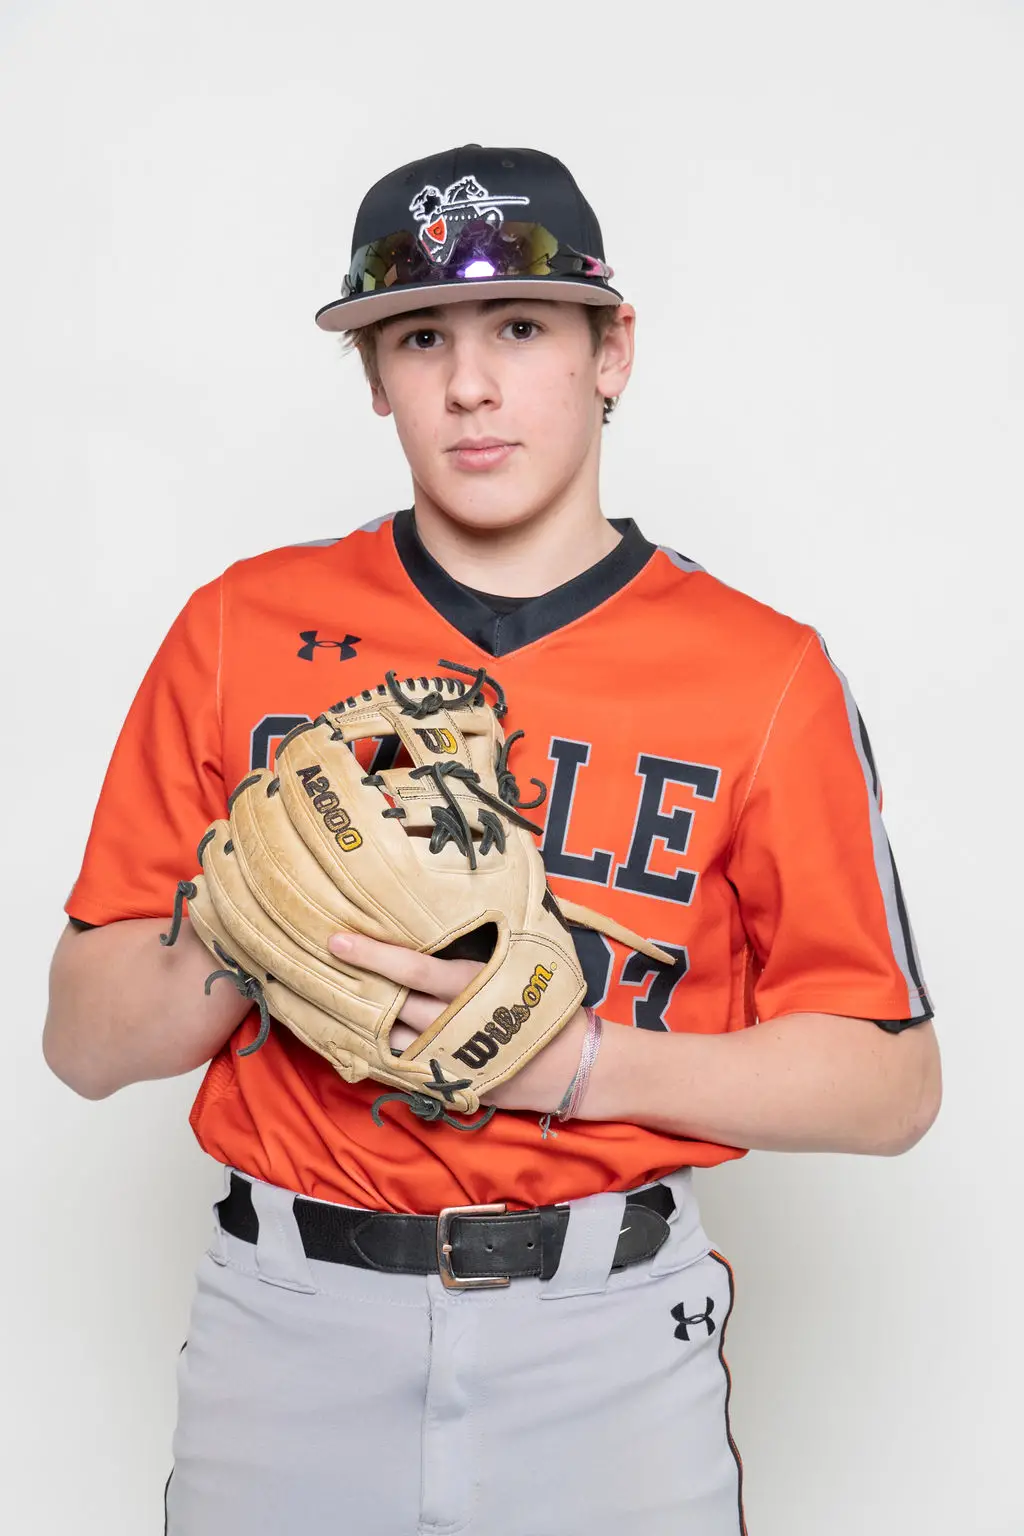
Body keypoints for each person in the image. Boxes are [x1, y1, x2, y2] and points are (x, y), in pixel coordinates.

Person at [43, 142, 942, 1536]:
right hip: (287, 1326)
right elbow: (84, 1045)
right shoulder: (241, 629)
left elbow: (889, 1085)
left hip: (607, 1340)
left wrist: (570, 1066)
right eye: (421, 337)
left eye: (520, 326)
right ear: (375, 376)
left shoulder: (763, 672)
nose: (470, 383)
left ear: (610, 351)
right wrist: (263, 913)